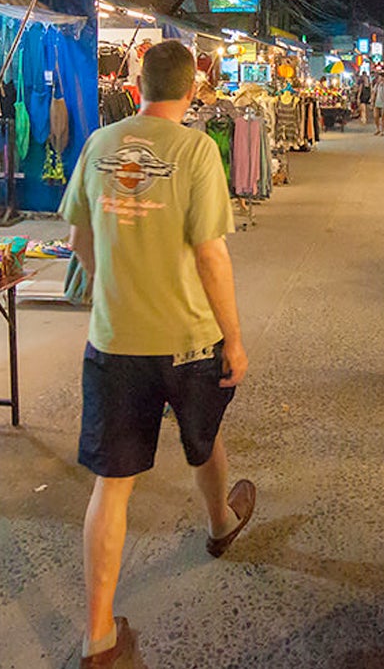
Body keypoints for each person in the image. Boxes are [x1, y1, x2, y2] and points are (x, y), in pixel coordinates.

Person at [62, 39, 256, 668]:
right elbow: (210, 253)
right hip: (190, 339)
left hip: (115, 339)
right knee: (203, 440)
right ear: (194, 88)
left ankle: (97, 635)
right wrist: (234, 336)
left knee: (111, 486)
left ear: (135, 82)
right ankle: (221, 524)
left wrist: (104, 290)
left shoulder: (97, 145)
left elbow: (77, 235)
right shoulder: (196, 149)